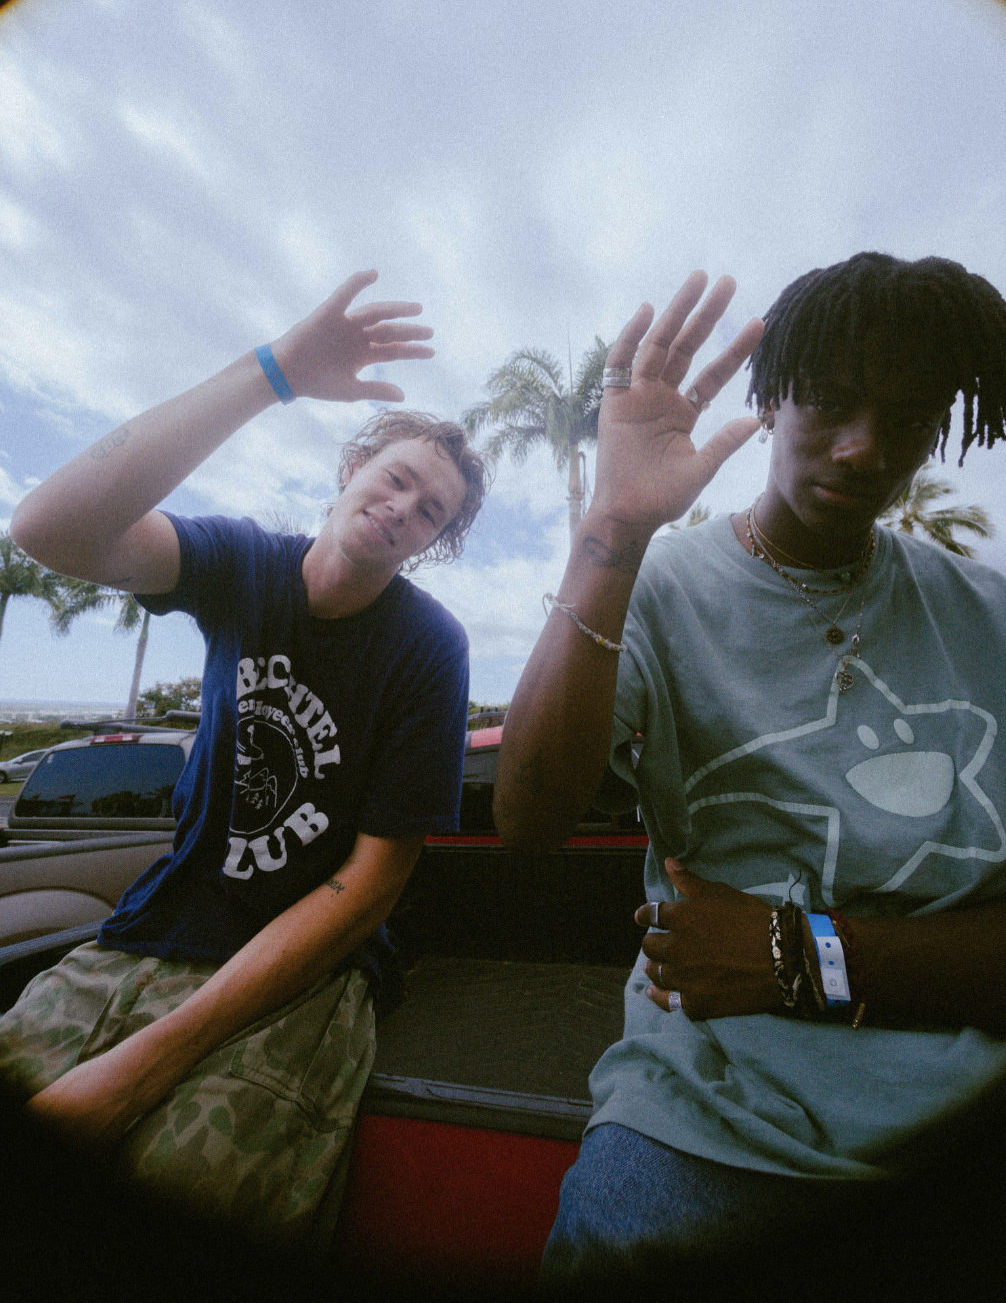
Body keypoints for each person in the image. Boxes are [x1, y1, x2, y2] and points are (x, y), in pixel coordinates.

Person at [493, 252, 1006, 1283]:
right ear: (770, 400)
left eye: (905, 420)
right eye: (828, 401)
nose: (864, 448)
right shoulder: (661, 584)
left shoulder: (985, 612)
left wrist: (797, 951)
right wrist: (610, 531)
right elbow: (529, 819)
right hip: (715, 1114)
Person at [0, 269, 490, 1250]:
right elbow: (49, 527)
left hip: (300, 981)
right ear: (350, 468)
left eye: (431, 510)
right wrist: (276, 371)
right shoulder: (241, 563)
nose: (404, 507)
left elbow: (370, 882)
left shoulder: (429, 648)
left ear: (434, 543)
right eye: (395, 477)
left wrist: (141, 1066)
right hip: (144, 935)